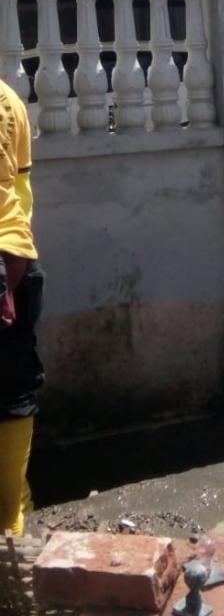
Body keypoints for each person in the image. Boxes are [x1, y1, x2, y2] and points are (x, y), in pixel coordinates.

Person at [0, 78, 44, 536]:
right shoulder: (10, 99)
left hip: (9, 265)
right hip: (16, 259)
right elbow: (21, 192)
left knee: (12, 395)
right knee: (13, 396)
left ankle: (12, 520)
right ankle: (16, 511)